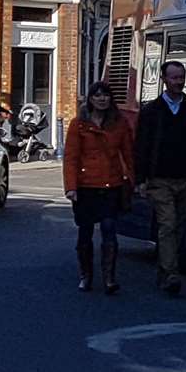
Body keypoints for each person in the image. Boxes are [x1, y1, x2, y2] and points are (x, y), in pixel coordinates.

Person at [134, 59, 186, 296]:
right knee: (167, 224)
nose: (179, 82)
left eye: (181, 77)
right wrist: (141, 179)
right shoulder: (151, 111)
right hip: (160, 178)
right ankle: (171, 274)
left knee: (179, 225)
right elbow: (142, 146)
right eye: (174, 78)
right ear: (164, 79)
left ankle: (165, 268)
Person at [62, 81, 134, 294]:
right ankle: (86, 275)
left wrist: (133, 180)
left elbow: (128, 154)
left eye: (106, 95)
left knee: (109, 229)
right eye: (98, 96)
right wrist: (71, 187)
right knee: (85, 233)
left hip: (111, 184)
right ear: (90, 99)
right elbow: (71, 158)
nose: (102, 99)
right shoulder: (79, 124)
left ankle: (109, 278)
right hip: (86, 186)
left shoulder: (119, 124)